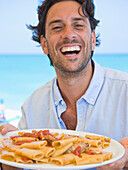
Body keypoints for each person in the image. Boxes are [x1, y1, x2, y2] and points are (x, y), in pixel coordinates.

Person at [0, 0, 128, 169]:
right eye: (57, 27)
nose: (69, 34)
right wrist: (10, 156)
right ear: (44, 44)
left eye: (78, 25)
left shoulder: (125, 91)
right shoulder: (31, 107)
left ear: (92, 38)